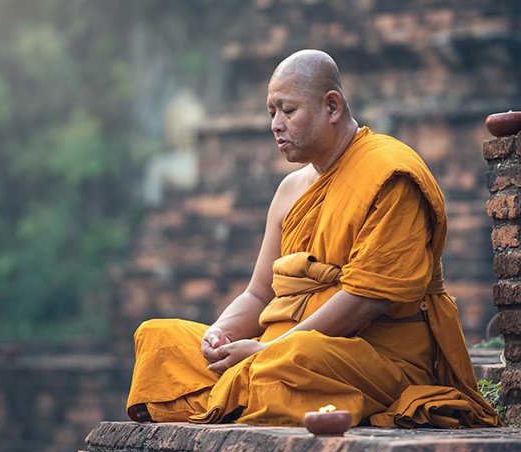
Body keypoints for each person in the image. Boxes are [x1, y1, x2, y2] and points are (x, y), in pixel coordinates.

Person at [125, 49, 501, 428]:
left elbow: (365, 300)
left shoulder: (389, 175)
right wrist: (220, 337)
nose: (276, 124)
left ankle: (235, 389)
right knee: (159, 338)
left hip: (367, 355)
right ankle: (239, 386)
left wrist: (268, 350)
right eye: (271, 112)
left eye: (288, 111)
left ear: (332, 107)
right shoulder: (290, 190)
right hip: (279, 347)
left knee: (291, 362)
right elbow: (259, 294)